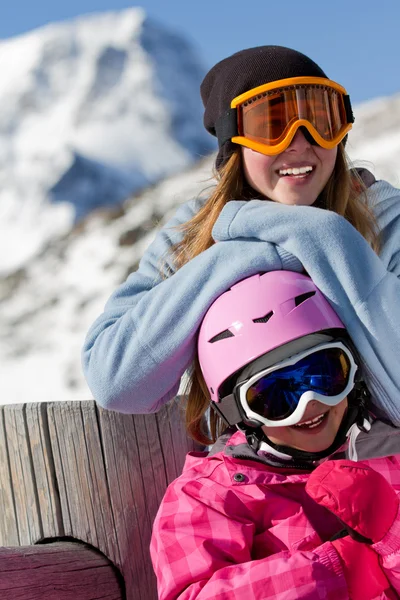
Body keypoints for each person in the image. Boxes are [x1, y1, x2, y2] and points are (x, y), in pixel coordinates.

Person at [81, 45, 400, 424]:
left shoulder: (384, 219)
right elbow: (116, 380)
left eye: (319, 119)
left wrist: (326, 236)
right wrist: (253, 252)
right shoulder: (194, 233)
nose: (300, 142)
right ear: (235, 142)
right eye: (271, 125)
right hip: (247, 478)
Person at [150, 271, 400, 600]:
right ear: (238, 412)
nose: (309, 403)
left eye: (323, 375)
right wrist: (333, 572)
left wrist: (392, 531)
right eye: (276, 395)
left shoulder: (389, 455)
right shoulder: (209, 497)